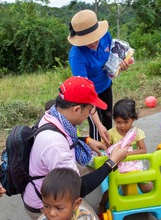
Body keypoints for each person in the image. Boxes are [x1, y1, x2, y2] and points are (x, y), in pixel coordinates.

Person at [22, 76, 128, 219]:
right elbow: (78, 188)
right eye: (90, 110)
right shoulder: (55, 145)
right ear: (77, 109)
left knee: (94, 165)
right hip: (47, 205)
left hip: (52, 182)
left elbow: (65, 137)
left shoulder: (52, 115)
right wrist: (112, 162)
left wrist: (86, 140)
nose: (89, 114)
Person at [68, 9, 129, 144]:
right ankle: (97, 153)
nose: (95, 42)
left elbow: (112, 56)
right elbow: (85, 94)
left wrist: (120, 64)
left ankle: (108, 146)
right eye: (89, 40)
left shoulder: (105, 35)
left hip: (105, 85)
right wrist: (98, 124)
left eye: (96, 37)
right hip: (89, 94)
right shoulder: (77, 57)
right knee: (97, 126)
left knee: (107, 117)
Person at [99, 98, 153, 215]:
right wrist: (106, 144)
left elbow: (143, 150)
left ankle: (148, 203)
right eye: (118, 122)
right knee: (112, 190)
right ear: (114, 120)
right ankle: (101, 204)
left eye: (125, 122)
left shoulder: (136, 133)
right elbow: (106, 149)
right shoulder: (112, 133)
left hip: (134, 166)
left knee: (147, 188)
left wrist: (127, 154)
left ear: (133, 119)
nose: (122, 126)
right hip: (117, 167)